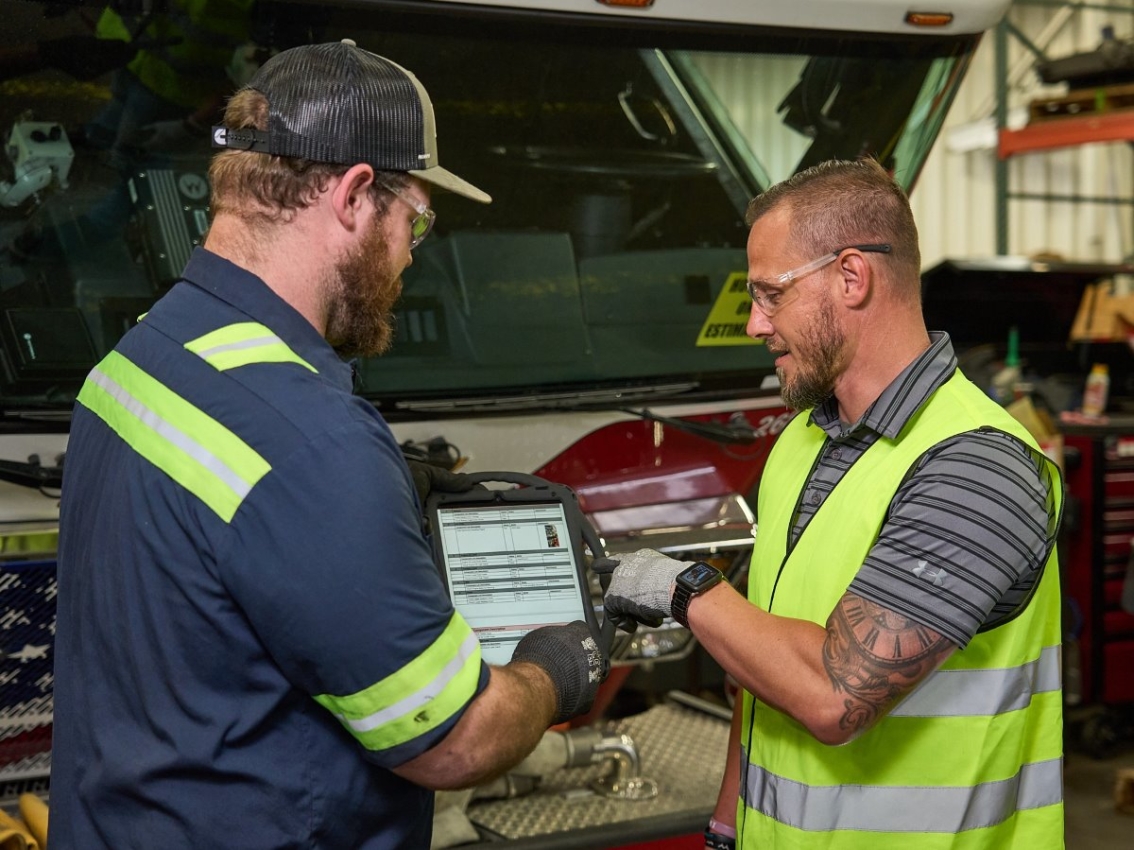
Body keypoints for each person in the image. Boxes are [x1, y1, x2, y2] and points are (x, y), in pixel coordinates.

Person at [51, 39, 607, 850]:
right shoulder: (314, 442)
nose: (412, 254)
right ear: (352, 196)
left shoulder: (143, 355)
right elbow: (455, 739)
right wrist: (559, 665)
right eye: (415, 218)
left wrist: (361, 514)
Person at [600, 158, 1064, 849]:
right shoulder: (802, 441)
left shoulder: (976, 466)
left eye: (771, 294)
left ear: (852, 277)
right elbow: (760, 665)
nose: (755, 324)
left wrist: (679, 585)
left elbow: (833, 695)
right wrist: (729, 822)